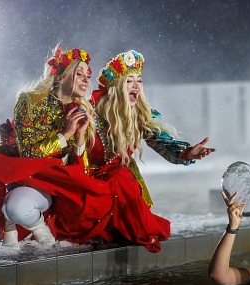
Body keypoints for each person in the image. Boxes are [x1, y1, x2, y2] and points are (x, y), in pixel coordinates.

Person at [52, 49, 215, 252]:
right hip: (87, 174)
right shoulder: (89, 110)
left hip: (118, 176)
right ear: (117, 86)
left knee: (120, 178)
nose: (137, 86)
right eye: (129, 81)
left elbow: (160, 141)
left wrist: (188, 153)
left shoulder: (138, 112)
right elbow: (70, 152)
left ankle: (123, 230)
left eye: (139, 80)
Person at [0, 44, 94, 250]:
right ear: (62, 76)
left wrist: (80, 137)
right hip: (28, 179)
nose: (85, 79)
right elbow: (28, 154)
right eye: (79, 73)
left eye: (88, 75)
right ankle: (36, 232)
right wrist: (64, 135)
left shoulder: (81, 109)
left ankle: (20, 225)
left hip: (56, 184)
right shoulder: (31, 100)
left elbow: (80, 168)